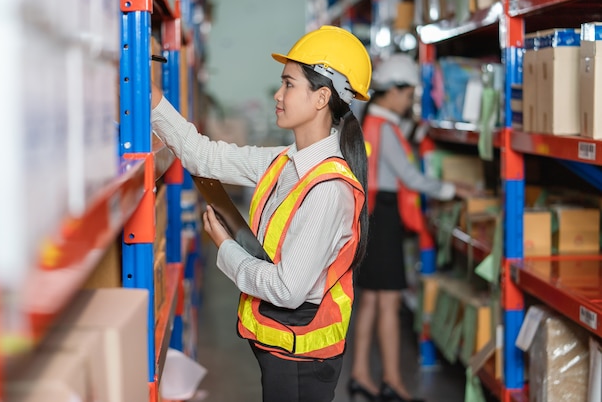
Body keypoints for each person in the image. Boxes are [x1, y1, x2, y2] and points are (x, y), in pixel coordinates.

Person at [151, 25, 371, 402]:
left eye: (289, 84)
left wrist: (225, 245)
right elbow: (204, 155)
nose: (278, 94)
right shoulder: (281, 161)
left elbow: (287, 290)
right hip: (280, 346)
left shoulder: (329, 191)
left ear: (321, 98)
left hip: (303, 360)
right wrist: (152, 98)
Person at [348, 54, 470, 402]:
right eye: (407, 94)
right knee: (387, 302)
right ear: (393, 92)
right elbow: (411, 177)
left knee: (370, 301)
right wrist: (451, 189)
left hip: (368, 216)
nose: (408, 101)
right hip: (382, 218)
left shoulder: (369, 123)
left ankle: (360, 375)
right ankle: (393, 382)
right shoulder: (385, 130)